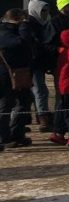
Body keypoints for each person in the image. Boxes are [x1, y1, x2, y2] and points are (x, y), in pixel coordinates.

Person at [44, 0, 69, 142]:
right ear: (61, 7)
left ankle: (60, 131)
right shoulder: (54, 22)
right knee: (66, 99)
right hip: (62, 63)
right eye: (67, 6)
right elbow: (47, 44)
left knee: (65, 99)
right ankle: (66, 132)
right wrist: (60, 50)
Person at [0, 9, 35, 150]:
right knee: (5, 105)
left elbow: (30, 44)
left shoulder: (16, 30)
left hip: (21, 73)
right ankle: (3, 137)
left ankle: (17, 133)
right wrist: (24, 26)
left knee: (25, 101)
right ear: (16, 19)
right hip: (5, 74)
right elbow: (22, 43)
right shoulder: (4, 31)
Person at [24, 0, 56, 132]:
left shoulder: (40, 23)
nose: (45, 13)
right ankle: (43, 118)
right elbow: (33, 44)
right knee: (40, 90)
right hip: (32, 64)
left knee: (34, 91)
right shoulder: (29, 25)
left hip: (38, 63)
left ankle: (38, 116)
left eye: (46, 11)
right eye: (42, 10)